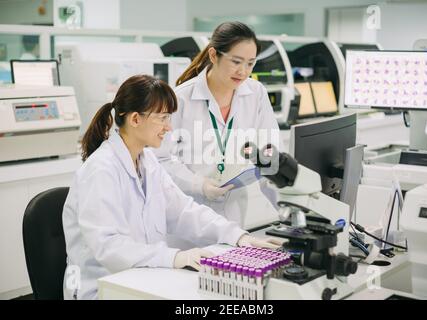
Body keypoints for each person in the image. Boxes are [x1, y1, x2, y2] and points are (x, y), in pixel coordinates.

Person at [62, 75, 281, 300]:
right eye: (163, 118)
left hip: (142, 280)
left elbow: (184, 211)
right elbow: (108, 247)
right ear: (135, 119)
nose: (169, 127)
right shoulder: (101, 170)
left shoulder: (147, 161)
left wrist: (238, 236)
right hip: (100, 289)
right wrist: (174, 257)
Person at [156, 22, 280, 227]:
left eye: (250, 63)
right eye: (236, 61)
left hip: (234, 217)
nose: (243, 71)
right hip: (186, 218)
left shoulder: (256, 94)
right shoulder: (180, 99)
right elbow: (160, 160)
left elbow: (270, 155)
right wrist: (200, 185)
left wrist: (288, 208)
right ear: (214, 56)